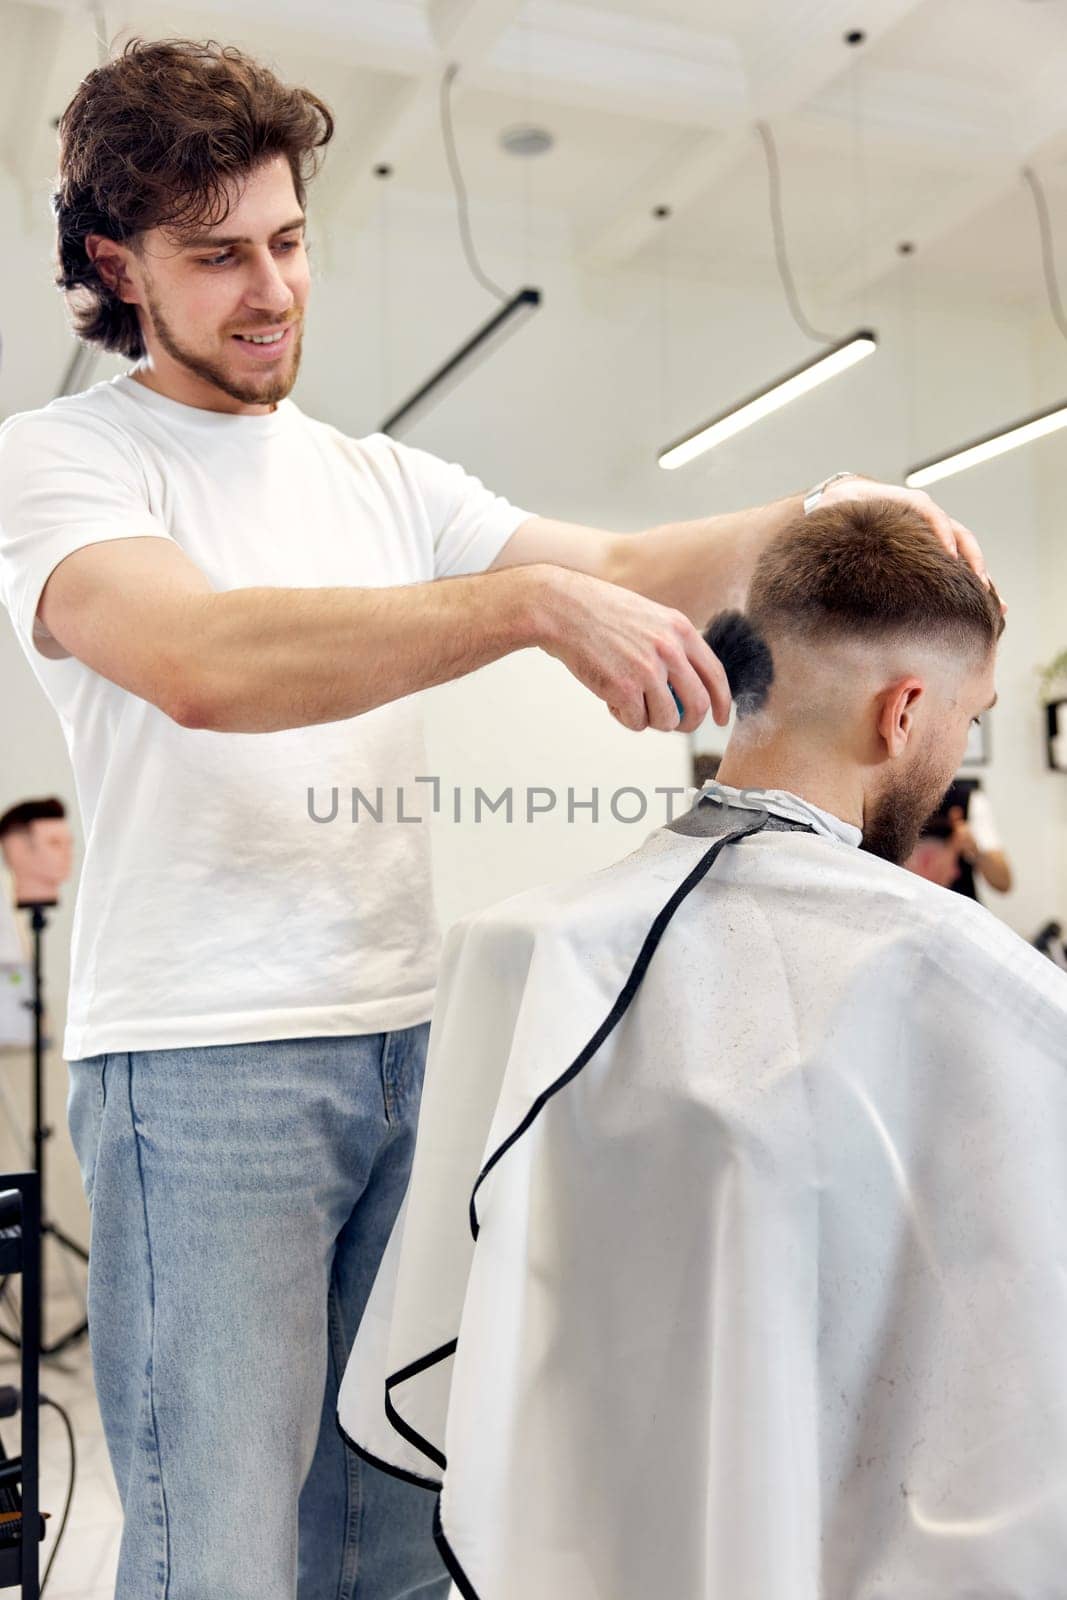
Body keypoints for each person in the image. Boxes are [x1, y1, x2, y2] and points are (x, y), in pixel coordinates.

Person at [0, 38, 992, 1600]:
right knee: (225, 1558)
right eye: (217, 258)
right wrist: (522, 609)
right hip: (200, 1068)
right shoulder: (69, 464)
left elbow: (616, 558)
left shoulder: (373, 478)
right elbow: (197, 663)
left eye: (288, 240)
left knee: (402, 1527)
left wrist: (810, 518)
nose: (271, 290)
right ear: (117, 265)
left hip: (414, 1041)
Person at [340, 500, 1067, 1600]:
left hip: (593, 1535)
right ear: (903, 708)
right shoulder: (962, 975)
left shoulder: (529, 945)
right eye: (965, 718)